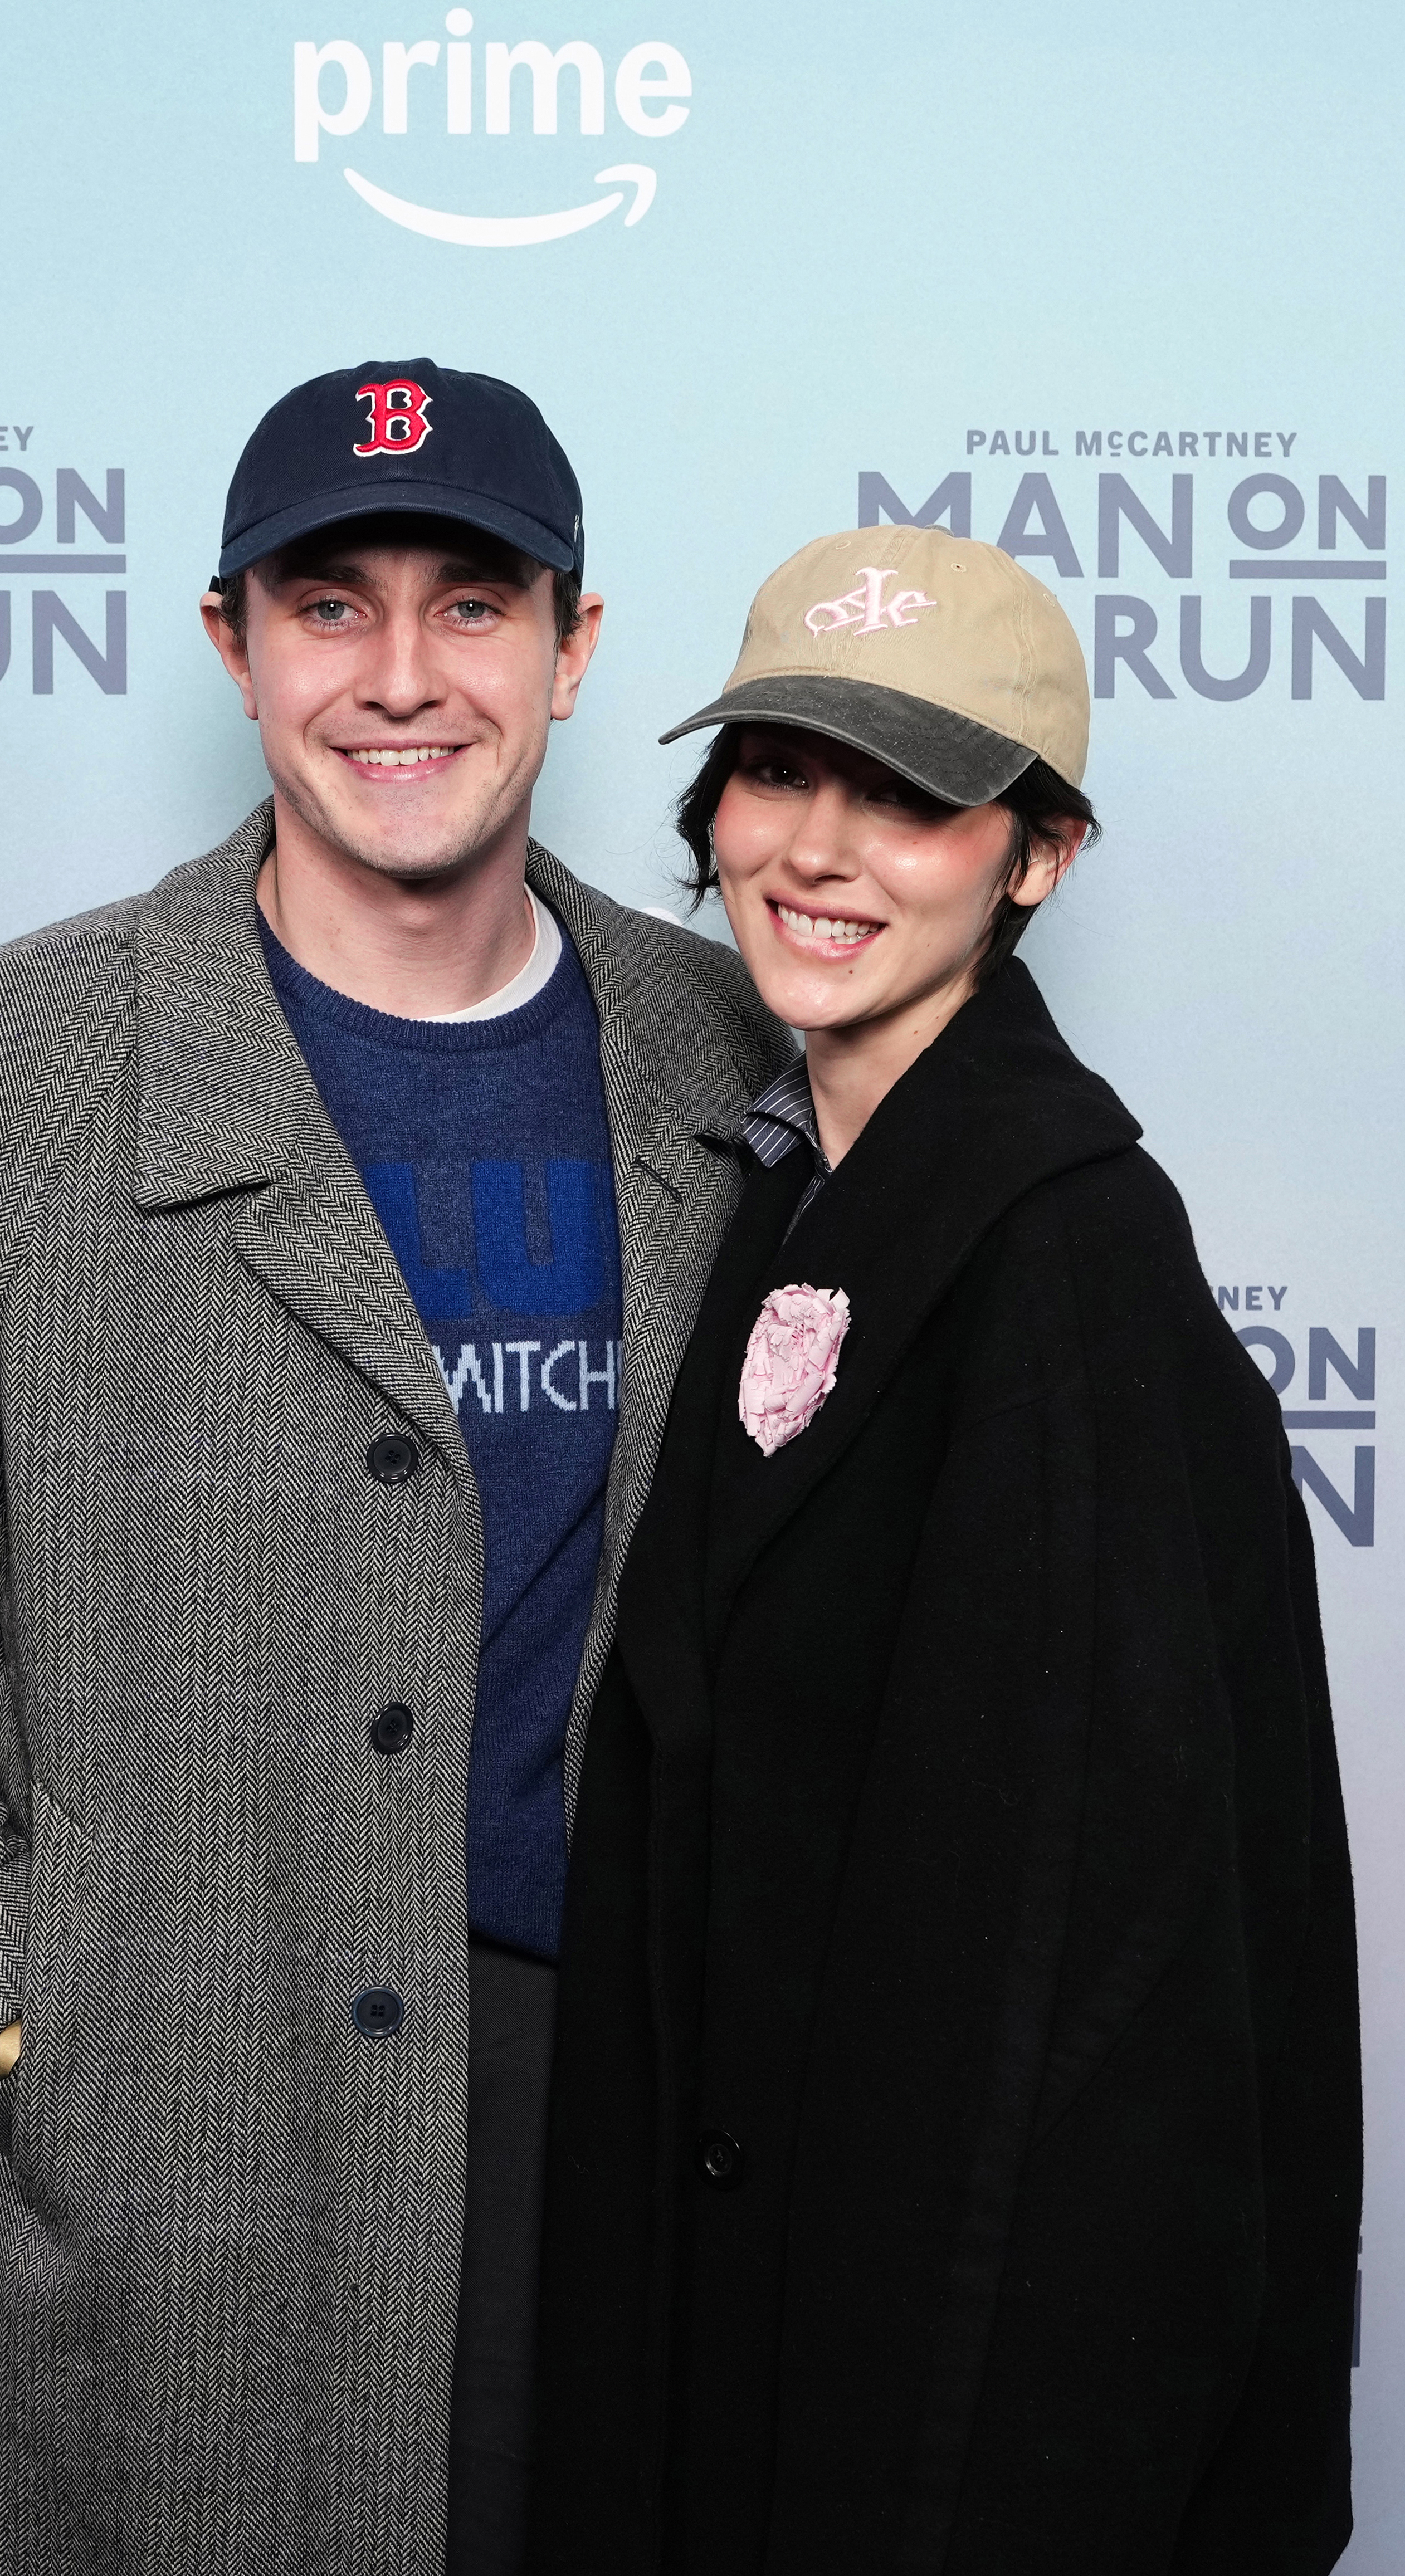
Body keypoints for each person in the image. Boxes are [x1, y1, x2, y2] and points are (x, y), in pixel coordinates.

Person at [0, 360, 787, 2576]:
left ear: (576, 650)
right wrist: (6, 1995)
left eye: (471, 604)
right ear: (232, 644)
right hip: (173, 2118)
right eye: (329, 603)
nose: (399, 677)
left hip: (634, 2117)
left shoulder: (722, 1041)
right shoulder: (20, 1053)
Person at [529, 525, 1362, 2575]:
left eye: (908, 793)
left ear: (1039, 857)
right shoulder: (806, 1181)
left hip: (942, 2420)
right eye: (776, 770)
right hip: (755, 2331)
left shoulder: (1065, 1258)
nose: (819, 847)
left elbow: (1104, 2000)